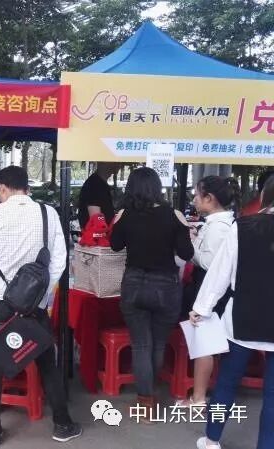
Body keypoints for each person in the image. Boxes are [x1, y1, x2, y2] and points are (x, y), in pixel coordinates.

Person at [0, 166, 81, 447]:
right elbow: (59, 260)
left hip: (1, 305)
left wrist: (3, 292)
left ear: (2, 188)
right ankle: (62, 425)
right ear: (26, 187)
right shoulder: (48, 213)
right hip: (35, 306)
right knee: (47, 364)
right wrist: (40, 297)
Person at [191, 177, 274, 449]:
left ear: (264, 196)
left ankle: (211, 440)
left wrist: (201, 309)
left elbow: (220, 273)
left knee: (226, 383)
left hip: (242, 317)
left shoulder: (243, 227)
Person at [110, 167, 194, 421]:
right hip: (166, 286)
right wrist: (185, 229)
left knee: (141, 344)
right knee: (157, 344)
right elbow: (186, 254)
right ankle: (150, 396)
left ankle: (145, 402)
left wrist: (118, 222)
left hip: (134, 283)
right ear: (157, 187)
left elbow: (115, 246)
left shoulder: (125, 214)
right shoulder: (174, 214)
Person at [178, 176, 240, 408]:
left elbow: (212, 263)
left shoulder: (219, 228)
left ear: (209, 198)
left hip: (211, 290)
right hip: (208, 288)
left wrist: (191, 248)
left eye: (197, 195)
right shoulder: (217, 224)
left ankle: (199, 398)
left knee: (205, 343)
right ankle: (199, 396)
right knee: (204, 341)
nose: (194, 199)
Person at [78, 162, 121, 228]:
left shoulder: (100, 184)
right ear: (103, 163)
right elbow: (97, 223)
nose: (119, 164)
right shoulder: (94, 185)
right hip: (98, 233)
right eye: (114, 161)